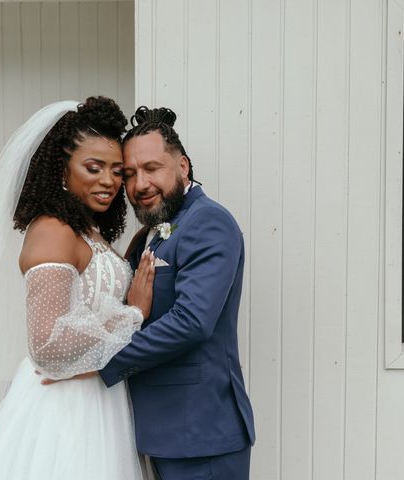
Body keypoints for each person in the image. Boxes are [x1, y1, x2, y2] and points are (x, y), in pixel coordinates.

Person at [0, 97, 155, 479]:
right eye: (94, 168)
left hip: (100, 398)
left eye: (117, 171)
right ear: (62, 170)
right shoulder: (52, 230)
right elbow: (48, 345)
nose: (109, 181)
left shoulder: (87, 231)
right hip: (64, 410)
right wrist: (133, 314)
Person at [99, 106, 255, 480]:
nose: (140, 185)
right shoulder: (156, 230)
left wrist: (102, 361)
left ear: (182, 166)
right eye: (130, 174)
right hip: (160, 430)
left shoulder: (209, 223)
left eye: (151, 168)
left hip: (201, 434)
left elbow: (192, 321)